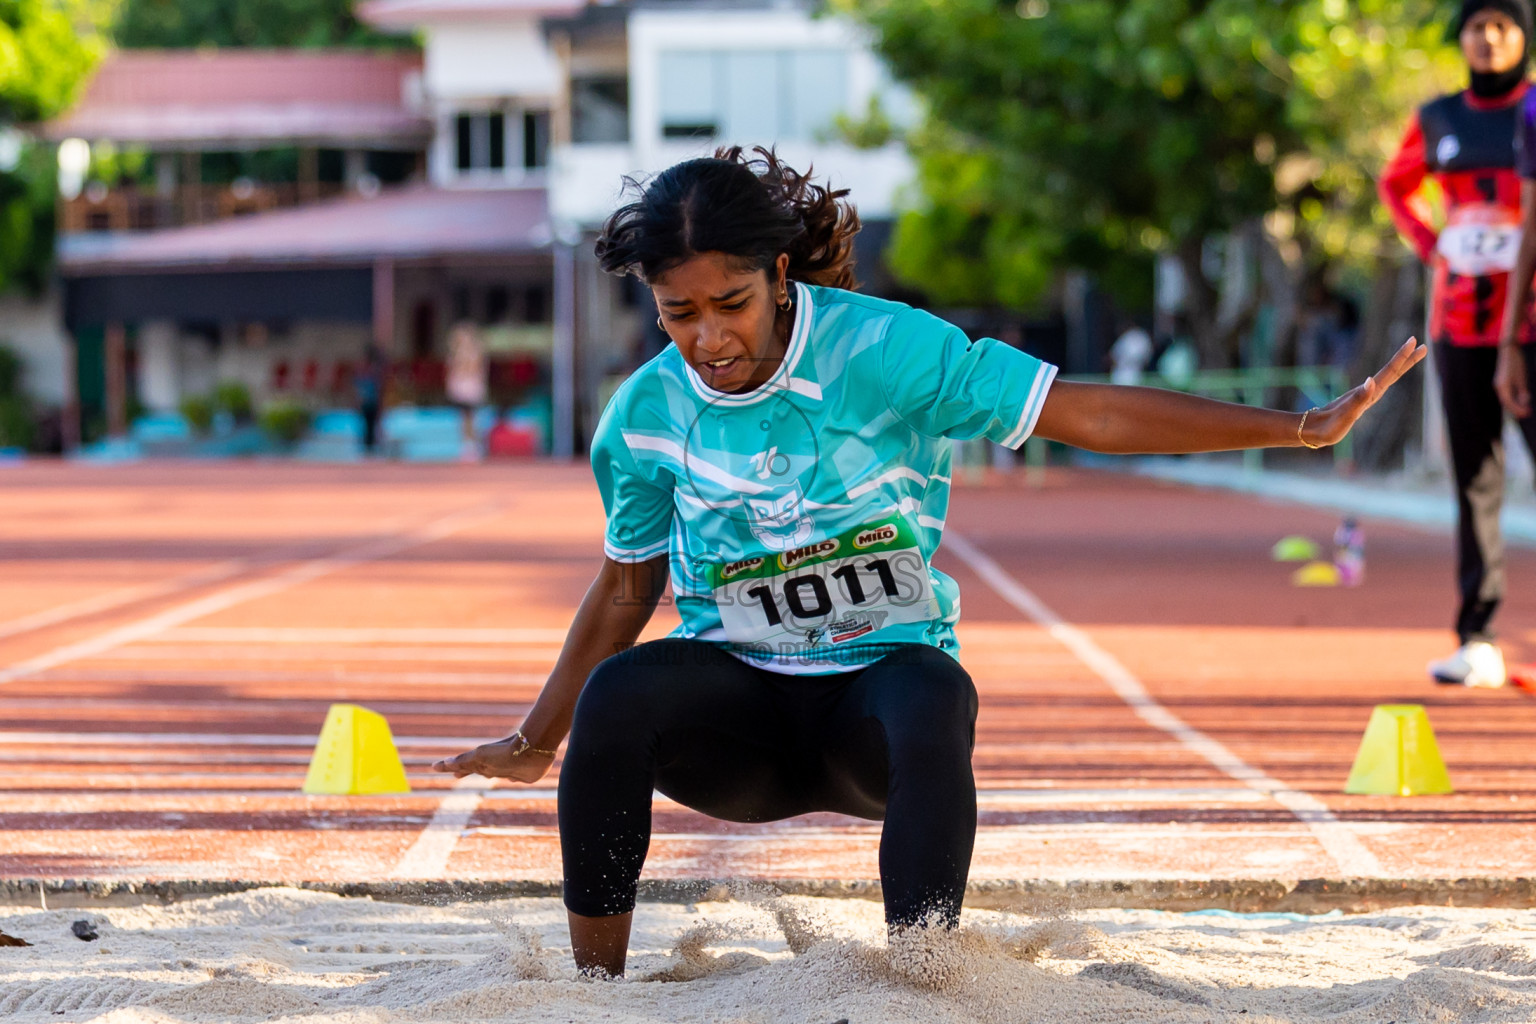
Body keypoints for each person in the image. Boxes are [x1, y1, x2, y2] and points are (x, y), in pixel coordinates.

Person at [434, 147, 1424, 977]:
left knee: (933, 695)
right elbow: (624, 587)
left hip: (877, 706)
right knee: (618, 694)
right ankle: (597, 988)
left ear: (781, 276)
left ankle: (923, 976)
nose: (709, 338)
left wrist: (1294, 428)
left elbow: (1092, 411)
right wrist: (536, 734)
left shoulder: (888, 350)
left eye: (729, 304)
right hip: (736, 719)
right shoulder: (646, 415)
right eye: (678, 313)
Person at [1380, 0, 1533, 688]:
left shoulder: (1533, 111)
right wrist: (1431, 242)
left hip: (1530, 324)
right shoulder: (1439, 116)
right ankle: (1478, 637)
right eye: (1478, 25)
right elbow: (1395, 184)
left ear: (1523, 37)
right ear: (1463, 38)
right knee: (1475, 477)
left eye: (1504, 25)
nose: (1490, 37)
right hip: (1460, 322)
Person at [445, 321, 488, 461]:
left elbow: (474, 369)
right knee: (463, 418)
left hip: (471, 386)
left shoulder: (475, 352)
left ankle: (474, 446)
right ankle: (467, 445)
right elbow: (453, 371)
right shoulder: (457, 352)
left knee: (471, 418)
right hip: (461, 386)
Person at [356, 342, 387, 456]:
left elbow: (379, 387)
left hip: (370, 400)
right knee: (368, 426)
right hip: (368, 400)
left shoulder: (373, 369)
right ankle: (368, 449)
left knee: (371, 425)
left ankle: (370, 448)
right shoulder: (367, 369)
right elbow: (360, 385)